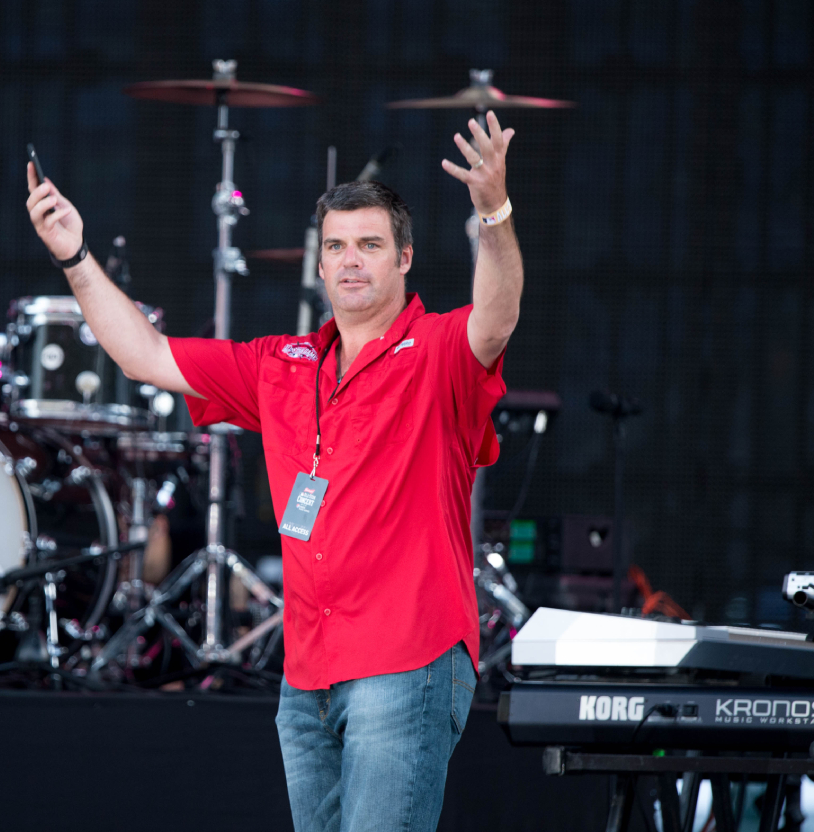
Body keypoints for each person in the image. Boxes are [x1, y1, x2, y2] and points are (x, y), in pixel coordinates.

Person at [26, 111, 522, 831]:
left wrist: (493, 213)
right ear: (318, 264)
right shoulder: (281, 364)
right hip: (307, 674)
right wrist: (75, 257)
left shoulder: (440, 348)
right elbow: (145, 356)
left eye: (371, 246)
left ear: (405, 258)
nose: (352, 260)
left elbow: (498, 316)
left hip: (406, 660)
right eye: (337, 247)